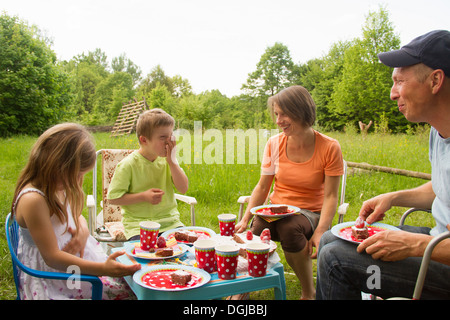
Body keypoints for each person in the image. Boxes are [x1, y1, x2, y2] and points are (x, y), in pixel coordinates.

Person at [316, 30, 450, 299]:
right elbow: (441, 189)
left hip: (441, 256)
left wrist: (414, 245)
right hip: (436, 239)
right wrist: (393, 197)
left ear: (435, 80)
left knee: (335, 259)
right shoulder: (439, 132)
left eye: (400, 81)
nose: (392, 94)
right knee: (333, 237)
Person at [235, 85, 344, 300]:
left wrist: (321, 230)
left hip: (309, 213)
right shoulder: (274, 144)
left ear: (301, 111)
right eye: (276, 114)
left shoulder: (330, 147)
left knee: (289, 227)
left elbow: (331, 196)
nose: (278, 120)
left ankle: (308, 292)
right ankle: (241, 291)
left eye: (283, 114)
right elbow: (263, 186)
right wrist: (246, 218)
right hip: (275, 209)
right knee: (258, 226)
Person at [11, 123, 140, 300]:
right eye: (76, 175)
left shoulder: (55, 186)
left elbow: (77, 217)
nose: (78, 182)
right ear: (56, 166)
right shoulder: (34, 200)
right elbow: (52, 257)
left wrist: (82, 232)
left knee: (137, 283)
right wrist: (103, 270)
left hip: (78, 266)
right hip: (57, 278)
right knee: (134, 294)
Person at [107, 108, 188, 240]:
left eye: (171, 136)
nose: (169, 142)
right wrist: (143, 196)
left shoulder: (169, 161)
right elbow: (113, 198)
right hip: (138, 227)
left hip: (170, 223)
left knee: (186, 254)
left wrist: (172, 163)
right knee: (146, 257)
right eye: (163, 138)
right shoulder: (128, 165)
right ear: (144, 140)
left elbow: (183, 188)